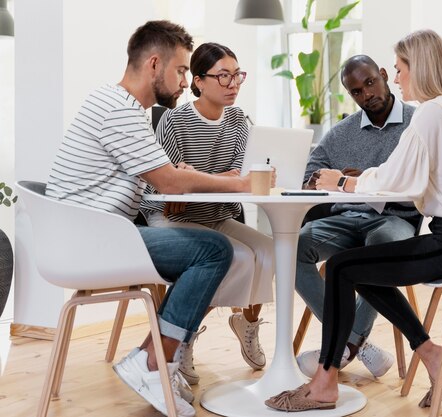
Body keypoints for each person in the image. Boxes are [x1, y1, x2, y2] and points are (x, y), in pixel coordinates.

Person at [266, 29, 442, 412]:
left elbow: (398, 179)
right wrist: (353, 181)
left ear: (417, 68)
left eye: (400, 68)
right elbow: (405, 176)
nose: (399, 76)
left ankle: (324, 383)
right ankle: (430, 355)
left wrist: (342, 181)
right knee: (357, 269)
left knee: (341, 267)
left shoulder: (431, 114)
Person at [46, 21, 251, 417]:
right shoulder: (117, 109)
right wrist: (233, 184)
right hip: (89, 243)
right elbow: (167, 180)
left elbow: (158, 178)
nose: (183, 82)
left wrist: (179, 177)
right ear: (154, 64)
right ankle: (154, 362)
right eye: (180, 71)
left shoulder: (121, 108)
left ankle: (156, 359)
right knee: (213, 250)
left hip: (95, 234)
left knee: (211, 248)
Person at [140, 42, 274, 383]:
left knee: (270, 250)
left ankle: (248, 323)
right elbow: (162, 188)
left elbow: (238, 178)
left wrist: (194, 179)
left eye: (237, 75)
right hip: (174, 218)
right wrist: (200, 181)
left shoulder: (240, 122)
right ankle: (184, 337)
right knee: (236, 258)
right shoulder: (174, 120)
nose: (233, 84)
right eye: (223, 76)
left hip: (217, 215)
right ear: (198, 81)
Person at [295, 54, 421, 378]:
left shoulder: (416, 123)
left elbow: (422, 178)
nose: (366, 94)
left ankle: (344, 344)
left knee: (374, 254)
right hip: (346, 219)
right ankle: (355, 341)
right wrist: (325, 177)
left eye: (370, 83)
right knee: (291, 248)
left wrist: (363, 178)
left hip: (395, 220)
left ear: (382, 75)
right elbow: (309, 173)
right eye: (356, 91)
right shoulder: (341, 133)